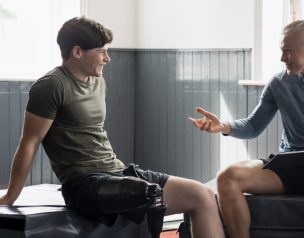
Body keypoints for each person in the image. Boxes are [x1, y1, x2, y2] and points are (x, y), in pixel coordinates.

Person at [0, 16, 224, 238]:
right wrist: (10, 196)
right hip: (83, 183)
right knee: (147, 195)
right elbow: (29, 142)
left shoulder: (98, 81)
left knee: (202, 195)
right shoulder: (51, 85)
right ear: (77, 52)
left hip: (117, 172)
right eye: (101, 51)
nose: (107, 58)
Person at [189, 18, 304, 238]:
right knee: (226, 176)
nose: (282, 58)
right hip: (286, 167)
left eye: (287, 52)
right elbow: (253, 125)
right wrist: (224, 126)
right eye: (281, 51)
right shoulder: (278, 83)